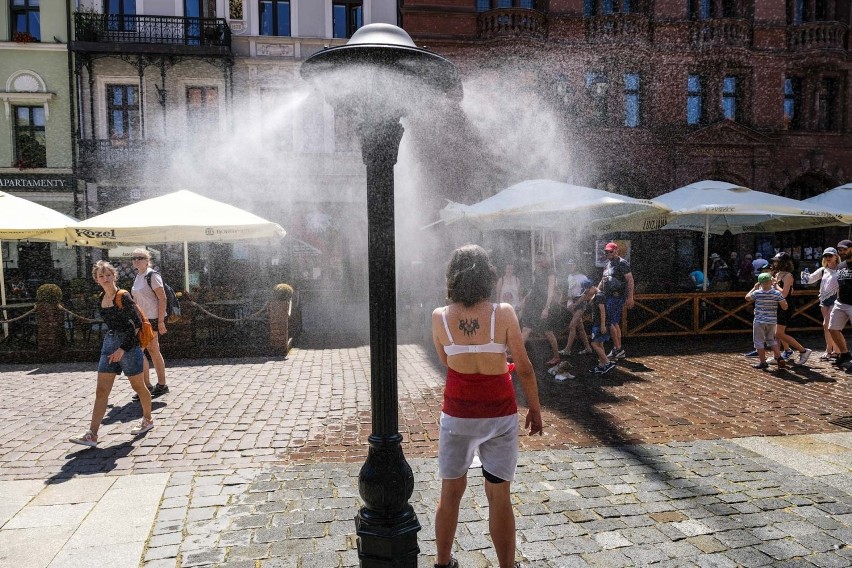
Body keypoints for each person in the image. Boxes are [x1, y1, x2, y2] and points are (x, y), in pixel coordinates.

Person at [431, 244, 543, 568]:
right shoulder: (503, 313)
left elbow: (447, 363)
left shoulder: (440, 318)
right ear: (488, 276)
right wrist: (534, 409)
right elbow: (524, 368)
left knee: (450, 493)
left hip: (458, 416)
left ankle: (442, 563)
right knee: (499, 497)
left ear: (452, 277)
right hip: (499, 415)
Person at [70, 261, 155, 447]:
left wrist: (122, 348)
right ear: (96, 279)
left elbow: (138, 323)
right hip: (109, 343)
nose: (105, 279)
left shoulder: (123, 296)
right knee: (101, 391)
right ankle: (92, 434)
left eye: (108, 275)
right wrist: (114, 347)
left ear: (114, 276)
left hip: (128, 345)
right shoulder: (100, 298)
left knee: (138, 387)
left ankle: (147, 419)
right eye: (101, 276)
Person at [130, 248, 170, 399]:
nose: (136, 260)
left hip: (152, 318)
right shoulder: (139, 276)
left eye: (140, 258)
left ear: (147, 260)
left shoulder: (152, 275)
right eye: (134, 258)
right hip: (142, 319)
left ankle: (153, 386)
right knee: (148, 351)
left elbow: (162, 298)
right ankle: (154, 385)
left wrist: (160, 321)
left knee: (145, 351)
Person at [770, 252, 812, 365]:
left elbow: (784, 293)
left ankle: (803, 350)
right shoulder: (777, 274)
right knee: (776, 333)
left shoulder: (788, 275)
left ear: (783, 263)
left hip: (786, 306)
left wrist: (775, 285)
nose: (774, 263)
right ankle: (777, 356)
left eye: (777, 261)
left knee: (779, 333)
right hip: (777, 305)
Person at [520, 253, 560, 366]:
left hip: (543, 305)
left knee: (548, 331)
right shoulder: (537, 271)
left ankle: (556, 356)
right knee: (526, 328)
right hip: (532, 304)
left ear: (546, 260)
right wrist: (525, 298)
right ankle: (517, 354)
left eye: (541, 260)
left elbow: (550, 291)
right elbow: (534, 287)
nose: (539, 262)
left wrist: (546, 308)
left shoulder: (550, 272)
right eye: (537, 260)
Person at [802, 247, 841, 360]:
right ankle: (832, 350)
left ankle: (833, 350)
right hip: (824, 299)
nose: (828, 258)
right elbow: (809, 280)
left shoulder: (840, 269)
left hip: (836, 298)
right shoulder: (823, 270)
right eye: (826, 256)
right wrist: (805, 275)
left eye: (830, 256)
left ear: (835, 256)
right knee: (827, 327)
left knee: (828, 324)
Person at [745, 272, 788, 370]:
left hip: (759, 320)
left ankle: (763, 362)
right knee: (771, 340)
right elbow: (785, 307)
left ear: (760, 283)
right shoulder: (776, 293)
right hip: (772, 320)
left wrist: (754, 288)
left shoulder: (757, 293)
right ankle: (779, 357)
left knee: (759, 341)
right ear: (771, 282)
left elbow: (747, 297)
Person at [598, 242, 634, 360]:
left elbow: (630, 280)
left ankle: (617, 349)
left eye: (611, 251)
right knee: (614, 323)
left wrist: (630, 297)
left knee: (611, 323)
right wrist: (597, 291)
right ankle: (618, 348)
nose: (608, 253)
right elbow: (603, 280)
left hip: (617, 297)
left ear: (616, 251)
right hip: (608, 296)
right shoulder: (608, 264)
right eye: (606, 252)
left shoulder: (622, 263)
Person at [558, 259, 592, 356]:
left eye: (572, 265)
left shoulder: (583, 277)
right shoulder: (569, 276)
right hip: (572, 302)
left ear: (576, 265)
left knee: (572, 326)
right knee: (580, 327)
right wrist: (567, 301)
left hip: (580, 303)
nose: (569, 267)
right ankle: (588, 348)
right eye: (568, 265)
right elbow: (570, 291)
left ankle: (567, 350)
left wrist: (576, 303)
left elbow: (586, 293)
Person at [828, 240, 852, 369]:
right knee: (832, 328)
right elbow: (840, 284)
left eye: (844, 249)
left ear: (851, 249)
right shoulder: (841, 265)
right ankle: (844, 353)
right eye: (839, 250)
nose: (841, 252)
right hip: (841, 302)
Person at [586, 283, 616, 375]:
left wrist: (603, 325)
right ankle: (601, 365)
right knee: (599, 344)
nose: (587, 293)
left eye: (587, 291)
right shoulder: (597, 296)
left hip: (599, 324)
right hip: (598, 323)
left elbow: (603, 311)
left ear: (592, 287)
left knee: (594, 344)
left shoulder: (599, 296)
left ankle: (607, 362)